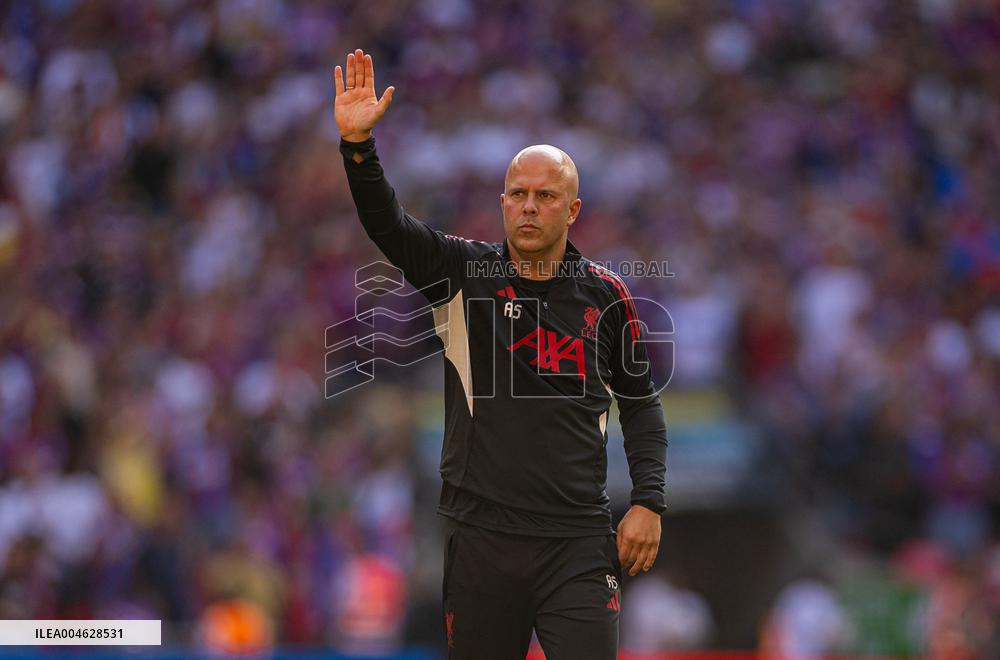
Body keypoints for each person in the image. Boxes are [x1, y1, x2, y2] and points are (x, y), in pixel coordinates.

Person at [333, 48, 667, 660]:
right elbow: (389, 225)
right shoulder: (462, 273)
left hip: (577, 540)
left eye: (545, 195)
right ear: (502, 203)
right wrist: (359, 149)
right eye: (517, 193)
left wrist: (648, 500)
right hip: (481, 537)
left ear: (573, 210)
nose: (530, 206)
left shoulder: (607, 294)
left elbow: (642, 406)